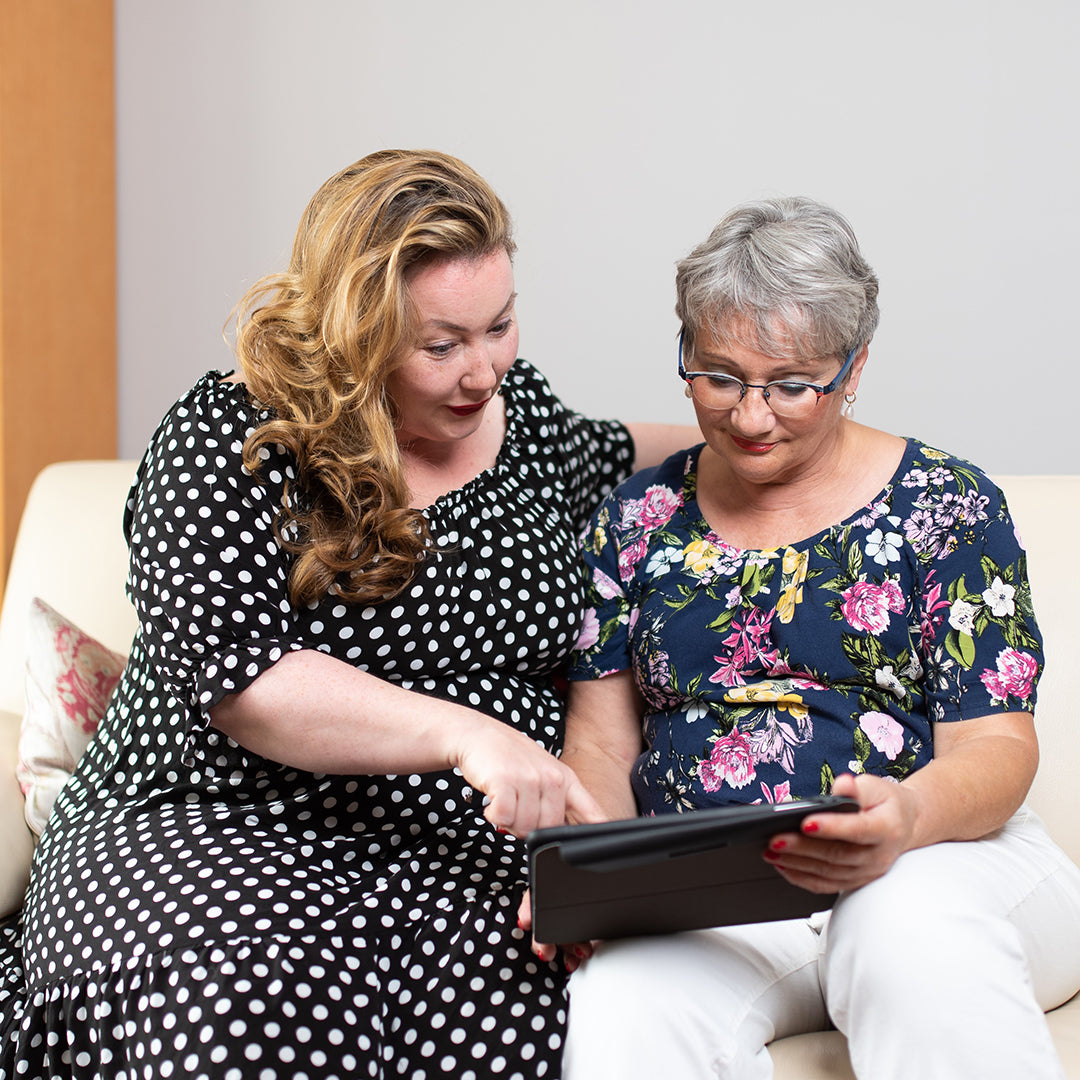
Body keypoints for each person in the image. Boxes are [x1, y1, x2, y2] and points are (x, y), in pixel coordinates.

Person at [0, 149, 693, 1079]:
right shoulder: (234, 437)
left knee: (533, 1025)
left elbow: (641, 448)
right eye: (440, 345)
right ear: (349, 329)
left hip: (458, 853)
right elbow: (242, 683)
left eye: (500, 325)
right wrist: (467, 735)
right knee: (244, 1016)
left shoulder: (519, 417)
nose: (481, 371)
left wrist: (797, 439)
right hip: (221, 821)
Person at [537, 196, 1080, 1079]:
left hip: (945, 858)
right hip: (724, 892)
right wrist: (601, 879)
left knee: (901, 922)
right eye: (717, 375)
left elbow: (997, 745)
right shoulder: (635, 520)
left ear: (854, 367)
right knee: (624, 999)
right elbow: (600, 741)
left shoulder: (946, 505)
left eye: (790, 385)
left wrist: (906, 818)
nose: (751, 416)